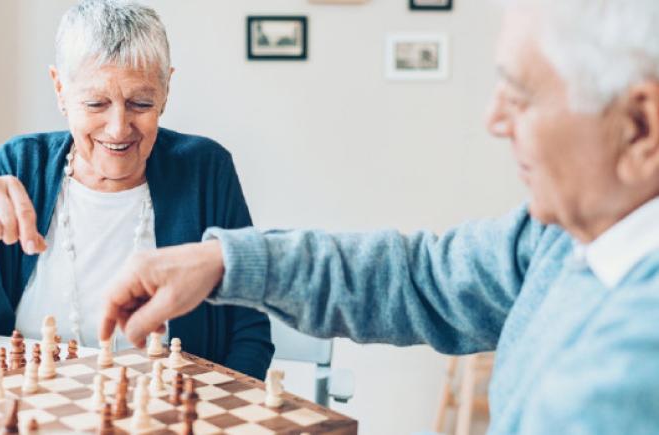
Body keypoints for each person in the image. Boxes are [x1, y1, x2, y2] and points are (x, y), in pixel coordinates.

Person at [100, 0, 659, 432]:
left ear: (641, 130)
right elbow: (421, 278)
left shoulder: (632, 363)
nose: (493, 120)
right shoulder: (562, 236)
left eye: (520, 97)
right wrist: (223, 260)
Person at [0, 0, 273, 380]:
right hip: (31, 411)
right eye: (96, 103)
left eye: (141, 102)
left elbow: (249, 332)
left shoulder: (206, 171)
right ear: (60, 90)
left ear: (166, 91)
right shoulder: (16, 168)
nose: (118, 128)